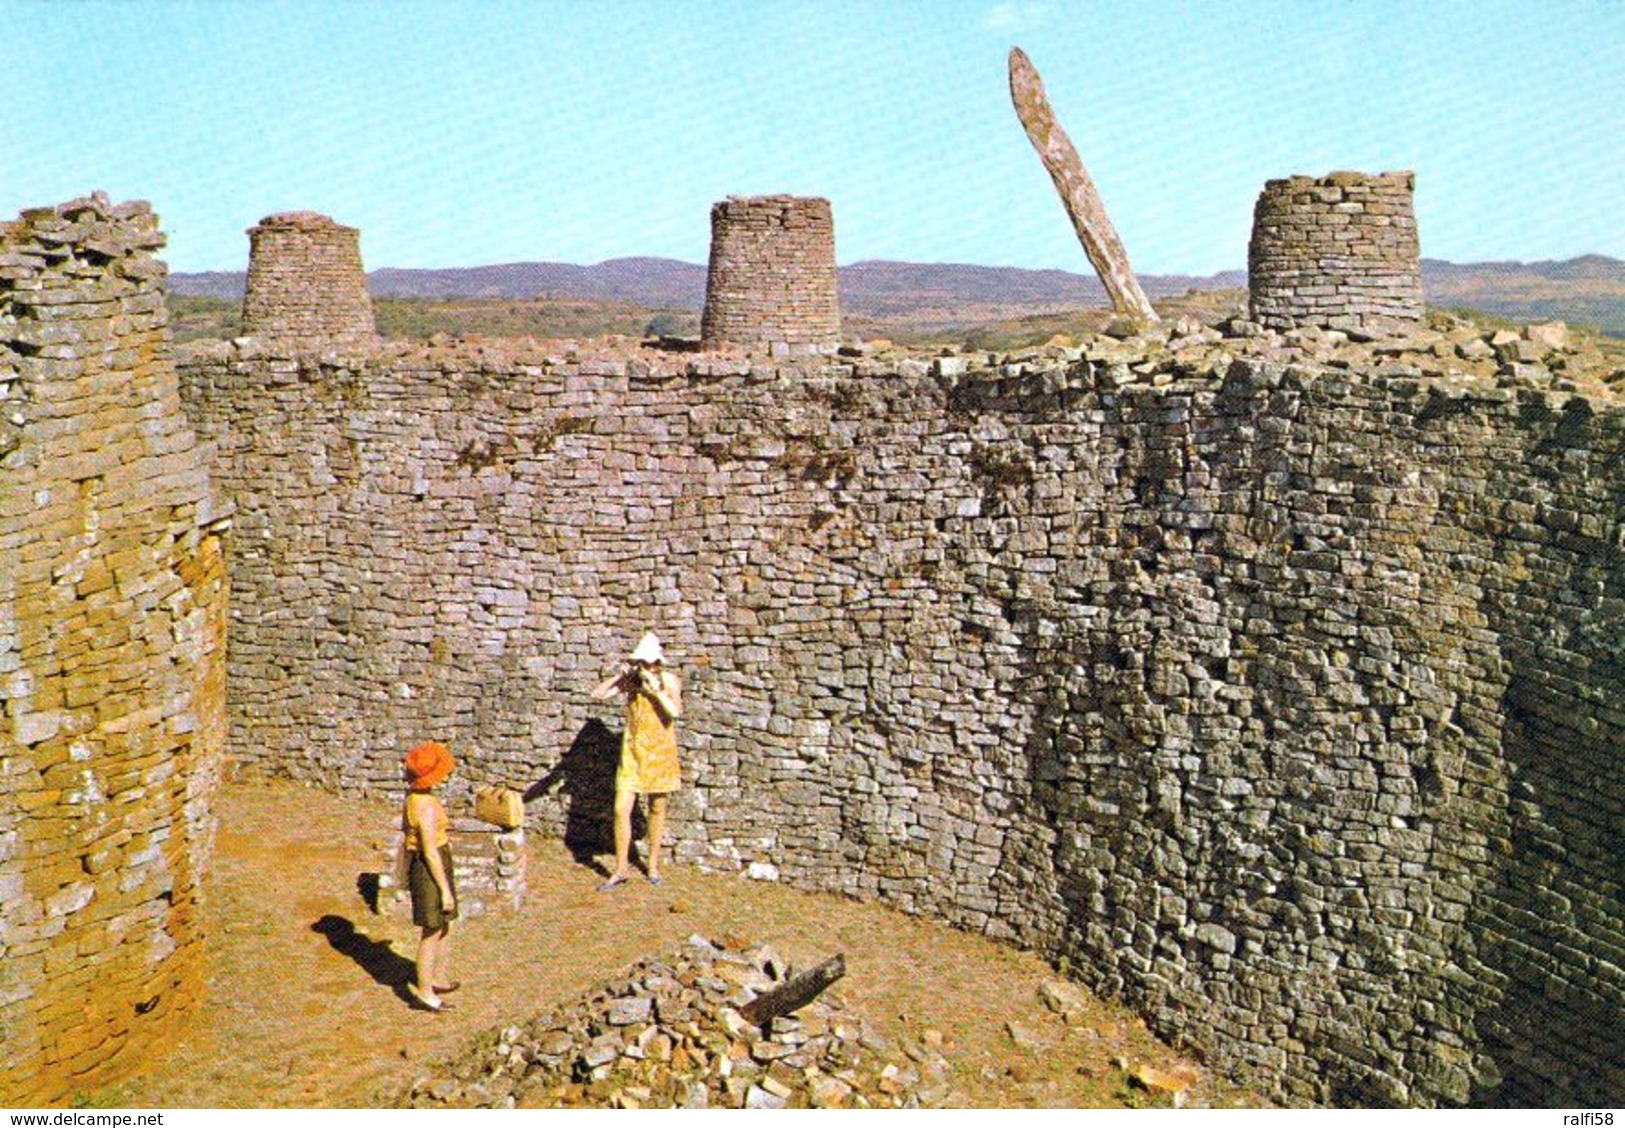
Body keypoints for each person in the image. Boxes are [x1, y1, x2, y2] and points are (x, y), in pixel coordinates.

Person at [591, 630, 684, 891]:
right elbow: (597, 695)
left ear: (658, 663)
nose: (645, 667)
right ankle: (620, 869)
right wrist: (619, 676)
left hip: (660, 753)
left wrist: (655, 692)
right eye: (641, 662)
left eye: (648, 663)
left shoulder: (669, 681)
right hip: (632, 754)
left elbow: (675, 712)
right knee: (621, 809)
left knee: (657, 808)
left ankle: (652, 865)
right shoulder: (631, 680)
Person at [401, 739, 459, 1011]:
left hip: (437, 860)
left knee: (444, 924)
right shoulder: (422, 805)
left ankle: (437, 976)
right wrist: (444, 889)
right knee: (431, 929)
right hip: (429, 867)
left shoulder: (421, 798)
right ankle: (424, 992)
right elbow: (429, 851)